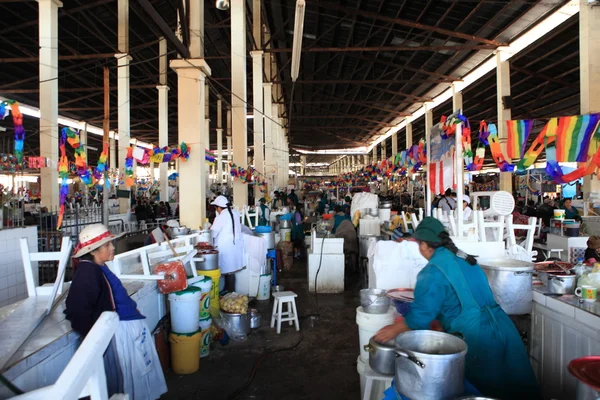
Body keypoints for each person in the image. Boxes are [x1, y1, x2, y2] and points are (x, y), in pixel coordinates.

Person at [375, 218, 540, 399]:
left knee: (485, 391)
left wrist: (391, 330)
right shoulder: (464, 258)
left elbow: (419, 318)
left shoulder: (432, 272)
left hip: (477, 340)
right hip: (504, 329)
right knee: (518, 387)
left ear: (423, 245)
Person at [65, 224, 167, 399]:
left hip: (126, 331)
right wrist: (97, 340)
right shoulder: (87, 273)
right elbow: (77, 311)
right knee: (125, 385)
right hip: (118, 335)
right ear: (93, 251)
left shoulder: (98, 267)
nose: (113, 247)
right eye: (107, 245)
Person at [210, 195, 244, 292]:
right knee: (230, 270)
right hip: (234, 245)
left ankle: (229, 292)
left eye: (216, 208)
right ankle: (229, 291)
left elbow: (213, 232)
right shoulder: (235, 213)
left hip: (225, 246)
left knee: (227, 270)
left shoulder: (221, 217)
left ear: (219, 207)